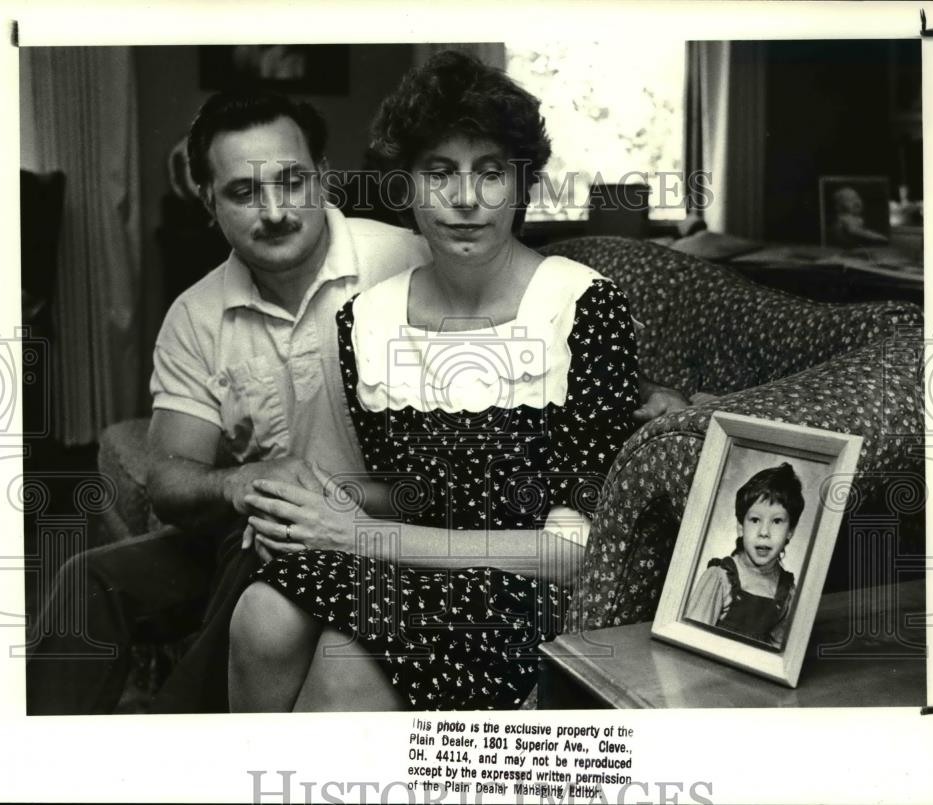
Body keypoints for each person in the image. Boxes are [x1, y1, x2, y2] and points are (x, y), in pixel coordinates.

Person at [226, 51, 678, 712]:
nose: (466, 198)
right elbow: (418, 492)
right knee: (260, 614)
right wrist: (304, 504)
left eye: (490, 172)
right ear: (405, 186)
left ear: (522, 185)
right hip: (408, 560)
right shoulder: (367, 321)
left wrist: (362, 537)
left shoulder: (583, 307)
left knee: (344, 664)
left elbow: (584, 552)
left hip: (524, 585)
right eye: (439, 172)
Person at [25, 90, 430, 714]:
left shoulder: (406, 260)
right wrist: (240, 482)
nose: (274, 212)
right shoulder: (195, 315)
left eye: (293, 182)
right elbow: (167, 476)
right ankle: (34, 766)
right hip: (252, 530)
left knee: (265, 561)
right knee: (87, 580)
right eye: (243, 192)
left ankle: (178, 742)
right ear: (208, 203)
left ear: (323, 177)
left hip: (385, 525)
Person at [684, 462, 803, 649]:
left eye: (777, 521)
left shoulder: (787, 593)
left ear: (790, 532)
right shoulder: (719, 578)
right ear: (740, 527)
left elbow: (781, 654)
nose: (764, 532)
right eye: (755, 520)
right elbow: (690, 642)